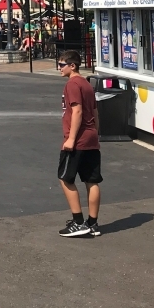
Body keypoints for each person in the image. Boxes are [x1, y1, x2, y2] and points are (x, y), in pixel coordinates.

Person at [56, 50, 101, 238]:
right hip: (91, 138)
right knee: (92, 180)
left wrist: (71, 139)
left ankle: (78, 222)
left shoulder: (73, 84)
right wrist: (96, 133)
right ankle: (93, 223)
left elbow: (77, 111)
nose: (59, 68)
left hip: (79, 139)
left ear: (72, 66)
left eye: (61, 64)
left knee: (65, 178)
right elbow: (96, 113)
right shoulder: (87, 84)